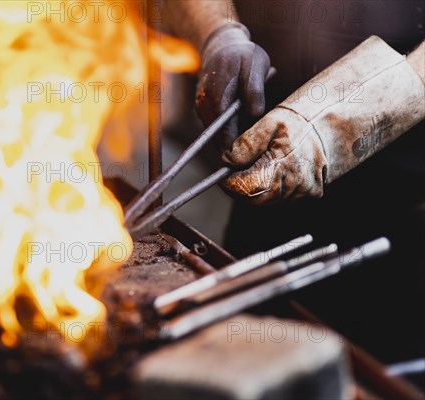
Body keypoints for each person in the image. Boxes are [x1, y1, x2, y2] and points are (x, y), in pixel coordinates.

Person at [164, 1, 425, 366]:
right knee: (242, 367)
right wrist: (218, 32)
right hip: (264, 202)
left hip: (398, 217)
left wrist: (341, 123)